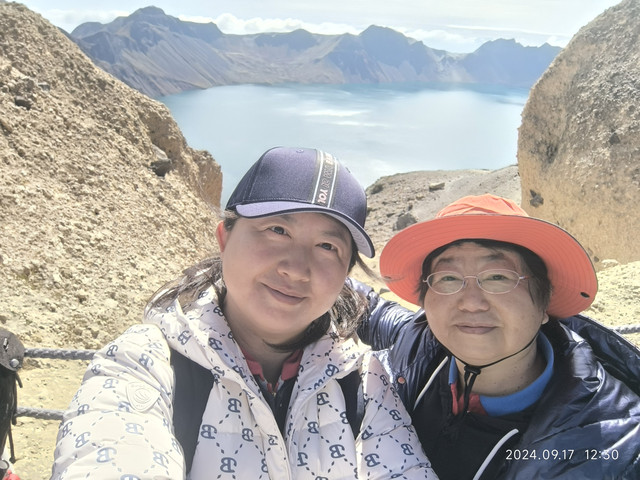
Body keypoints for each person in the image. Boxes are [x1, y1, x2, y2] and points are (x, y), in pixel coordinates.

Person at [50, 147, 437, 479]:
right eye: (277, 230)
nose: (296, 269)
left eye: (326, 247)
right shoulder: (144, 364)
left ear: (345, 274)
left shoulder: (365, 384)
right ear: (224, 237)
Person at [356, 194, 640, 479]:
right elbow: (369, 308)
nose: (471, 303)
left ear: (545, 304)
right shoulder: (419, 345)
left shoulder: (617, 452)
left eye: (498, 277)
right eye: (448, 278)